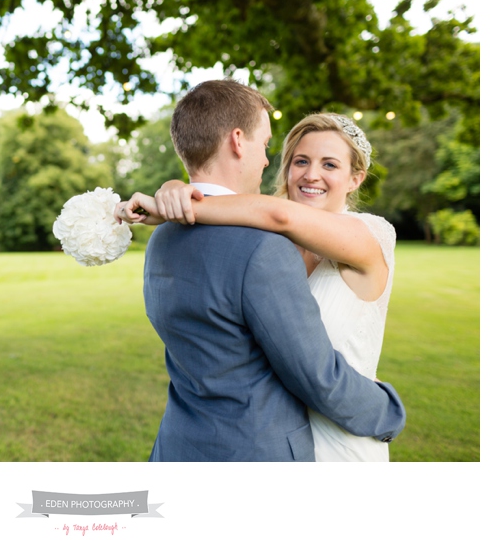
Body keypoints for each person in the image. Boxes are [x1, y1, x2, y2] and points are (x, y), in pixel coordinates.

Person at [116, 79, 405, 461]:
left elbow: (277, 214)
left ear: (356, 178)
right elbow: (314, 374)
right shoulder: (265, 242)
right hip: (273, 443)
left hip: (340, 435)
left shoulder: (367, 234)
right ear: (241, 142)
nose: (310, 174)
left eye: (330, 164)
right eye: (299, 161)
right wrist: (175, 190)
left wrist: (180, 202)